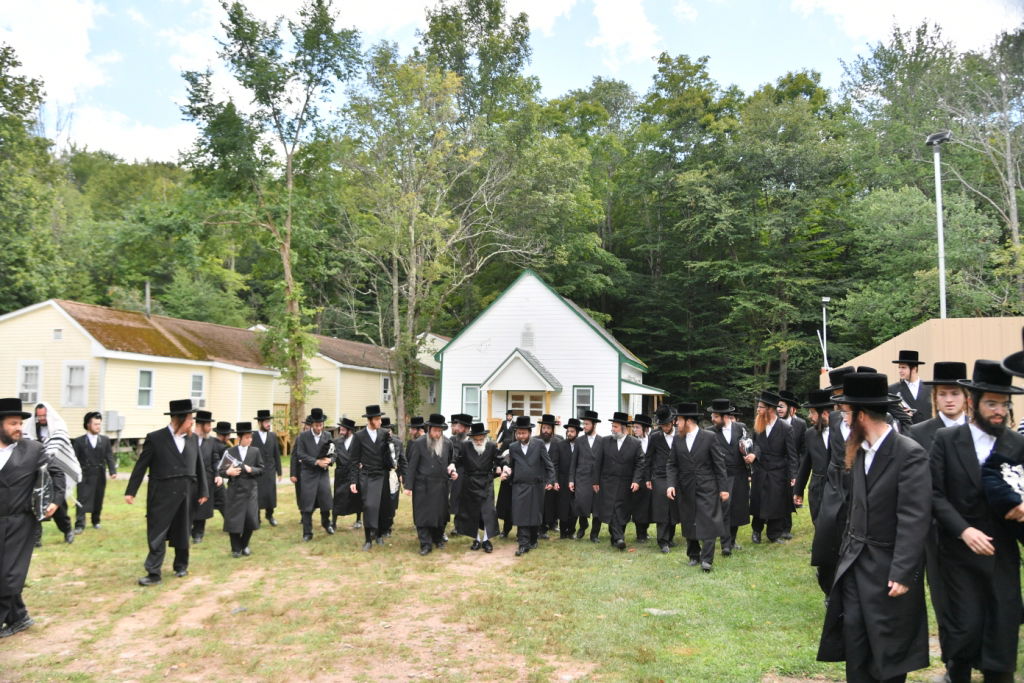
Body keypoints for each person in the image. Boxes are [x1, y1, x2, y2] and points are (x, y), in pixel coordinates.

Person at [817, 372, 932, 683]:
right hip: (855, 564)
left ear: (862, 415)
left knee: (888, 650)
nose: (843, 420)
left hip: (888, 567)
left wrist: (903, 571)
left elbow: (914, 516)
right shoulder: (858, 450)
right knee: (855, 639)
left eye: (846, 413)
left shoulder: (909, 454)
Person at [929, 360, 1024, 683]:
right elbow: (934, 494)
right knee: (964, 630)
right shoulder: (946, 440)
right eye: (991, 403)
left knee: (1003, 630)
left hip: (1003, 555)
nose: (999, 411)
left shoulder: (1016, 444)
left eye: (1004, 404)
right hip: (958, 557)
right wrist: (964, 530)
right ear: (973, 402)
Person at [124, 399, 209, 586]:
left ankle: (181, 566)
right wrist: (131, 491)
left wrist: (203, 489)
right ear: (178, 419)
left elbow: (199, 466)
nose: (192, 424)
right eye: (189, 420)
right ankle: (153, 572)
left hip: (187, 492)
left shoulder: (193, 438)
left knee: (183, 530)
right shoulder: (155, 438)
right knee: (157, 532)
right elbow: (141, 466)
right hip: (161, 494)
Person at [0, 397, 64, 638]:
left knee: (9, 575)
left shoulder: (33, 449)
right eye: (12, 423)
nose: (19, 428)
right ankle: (20, 617)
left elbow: (58, 474)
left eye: (20, 423)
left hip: (21, 522)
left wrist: (55, 501)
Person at [666, 402, 729, 572]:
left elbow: (719, 464)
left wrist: (723, 488)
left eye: (678, 420)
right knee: (689, 521)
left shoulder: (709, 437)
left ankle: (707, 559)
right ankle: (694, 554)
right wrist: (670, 484)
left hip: (707, 487)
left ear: (687, 421)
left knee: (708, 521)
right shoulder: (677, 439)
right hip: (685, 488)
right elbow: (672, 464)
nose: (675, 424)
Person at [501, 416, 556, 556]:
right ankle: (523, 544)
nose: (520, 436)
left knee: (535, 514)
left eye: (523, 433)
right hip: (519, 486)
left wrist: (550, 481)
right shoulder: (513, 447)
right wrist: (506, 471)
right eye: (518, 433)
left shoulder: (539, 444)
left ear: (530, 433)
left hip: (537, 486)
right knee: (521, 515)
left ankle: (533, 538)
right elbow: (511, 465)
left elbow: (549, 465)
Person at [748, 391, 798, 544]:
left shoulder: (786, 428)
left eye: (761, 407)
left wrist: (793, 475)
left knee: (776, 503)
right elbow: (754, 444)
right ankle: (756, 531)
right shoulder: (758, 425)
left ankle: (774, 534)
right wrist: (753, 455)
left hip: (778, 472)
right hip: (761, 470)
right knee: (759, 501)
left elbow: (791, 454)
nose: (758, 409)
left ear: (770, 409)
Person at [24, 403, 77, 546]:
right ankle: (36, 538)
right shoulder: (31, 429)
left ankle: (67, 530)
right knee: (34, 506)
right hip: (36, 473)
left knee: (58, 508)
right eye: (38, 416)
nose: (41, 418)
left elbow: (60, 446)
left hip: (54, 471)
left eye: (43, 415)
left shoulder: (58, 429)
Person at [405, 414, 457, 555]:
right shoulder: (419, 443)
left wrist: (452, 470)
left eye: (440, 431)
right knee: (422, 516)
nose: (437, 434)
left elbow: (452, 461)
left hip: (441, 485)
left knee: (440, 515)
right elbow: (412, 466)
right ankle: (425, 544)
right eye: (435, 430)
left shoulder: (447, 443)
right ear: (429, 429)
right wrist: (408, 486)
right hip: (423, 485)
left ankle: (438, 538)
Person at [595, 412, 644, 551]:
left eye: (615, 427)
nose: (612, 429)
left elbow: (640, 464)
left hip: (625, 483)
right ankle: (619, 538)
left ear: (624, 428)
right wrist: (595, 481)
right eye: (612, 426)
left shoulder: (635, 443)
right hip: (607, 482)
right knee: (612, 509)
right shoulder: (605, 441)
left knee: (622, 511)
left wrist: (636, 481)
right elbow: (598, 462)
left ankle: (615, 537)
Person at [348, 405, 395, 550]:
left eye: (380, 419)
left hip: (382, 475)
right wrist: (353, 480)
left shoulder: (384, 434)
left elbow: (390, 456)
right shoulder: (359, 436)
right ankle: (368, 538)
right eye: (377, 419)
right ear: (370, 420)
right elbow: (354, 460)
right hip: (366, 476)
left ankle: (379, 535)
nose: (380, 422)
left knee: (381, 506)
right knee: (368, 506)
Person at [708, 398, 750, 555]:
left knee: (737, 508)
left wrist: (752, 455)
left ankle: (732, 540)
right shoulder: (710, 432)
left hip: (739, 474)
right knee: (724, 509)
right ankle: (725, 544)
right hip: (721, 475)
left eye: (715, 416)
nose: (712, 419)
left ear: (725, 416)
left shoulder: (741, 427)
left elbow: (751, 444)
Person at [454, 422, 504, 552]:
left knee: (488, 512)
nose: (479, 442)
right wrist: (452, 467)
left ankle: (487, 540)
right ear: (471, 438)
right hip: (470, 483)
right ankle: (476, 539)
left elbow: (500, 459)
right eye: (476, 440)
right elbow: (457, 460)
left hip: (486, 483)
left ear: (485, 437)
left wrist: (500, 466)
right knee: (472, 512)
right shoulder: (465, 446)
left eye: (481, 439)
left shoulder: (492, 445)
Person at [219, 422, 264, 558]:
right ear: (239, 438)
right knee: (234, 521)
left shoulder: (255, 451)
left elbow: (262, 469)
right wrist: (229, 472)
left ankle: (244, 544)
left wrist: (252, 469)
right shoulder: (230, 452)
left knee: (250, 519)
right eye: (247, 437)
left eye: (251, 437)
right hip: (235, 490)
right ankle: (235, 548)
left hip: (251, 490)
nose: (250, 440)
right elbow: (221, 470)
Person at [71, 410, 117, 533]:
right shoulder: (79, 441)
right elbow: (74, 459)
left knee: (98, 497)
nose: (98, 427)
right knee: (82, 499)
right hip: (84, 474)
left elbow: (109, 456)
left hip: (99, 474)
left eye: (99, 424)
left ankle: (96, 521)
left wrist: (112, 471)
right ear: (88, 425)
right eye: (95, 424)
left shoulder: (105, 440)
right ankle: (80, 524)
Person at [293, 408, 334, 541]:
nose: (319, 428)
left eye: (321, 425)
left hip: (322, 474)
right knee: (307, 504)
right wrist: (316, 462)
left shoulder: (327, 435)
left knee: (326, 501)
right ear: (311, 425)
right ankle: (307, 532)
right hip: (308, 474)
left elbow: (334, 452)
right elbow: (300, 454)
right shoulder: (303, 437)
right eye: (316, 425)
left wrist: (330, 460)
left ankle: (326, 523)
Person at [908, 362, 969, 450]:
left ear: (965, 397)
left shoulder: (977, 429)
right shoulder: (918, 432)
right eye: (942, 394)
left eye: (955, 394)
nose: (949, 400)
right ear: (935, 397)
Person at [793, 391, 833, 524]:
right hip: (817, 489)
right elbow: (806, 463)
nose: (810, 416)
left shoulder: (841, 432)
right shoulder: (809, 434)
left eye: (812, 412)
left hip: (836, 488)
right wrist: (798, 490)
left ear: (825, 414)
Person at [647, 406, 679, 553]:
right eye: (662, 425)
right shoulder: (654, 437)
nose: (664, 428)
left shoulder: (681, 435)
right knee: (662, 508)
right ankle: (662, 541)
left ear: (672, 422)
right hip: (659, 476)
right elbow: (648, 458)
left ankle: (670, 537)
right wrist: (648, 478)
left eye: (667, 425)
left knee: (673, 508)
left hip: (676, 476)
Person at [569, 410, 603, 542]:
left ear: (594, 425)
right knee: (581, 505)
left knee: (597, 509)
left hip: (596, 480)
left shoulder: (602, 441)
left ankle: (594, 535)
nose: (584, 426)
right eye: (584, 424)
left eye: (587, 424)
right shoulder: (579, 441)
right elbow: (573, 462)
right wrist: (571, 480)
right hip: (581, 478)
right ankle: (583, 525)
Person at [777, 390, 806, 540]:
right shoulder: (773, 423)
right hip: (776, 466)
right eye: (777, 406)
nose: (778, 409)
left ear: (790, 408)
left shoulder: (800, 424)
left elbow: (803, 449)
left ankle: (786, 528)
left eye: (781, 406)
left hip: (793, 467)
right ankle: (774, 526)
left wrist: (798, 469)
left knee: (788, 496)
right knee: (776, 496)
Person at [190, 410, 217, 544]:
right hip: (191, 479)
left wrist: (217, 475)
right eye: (208, 425)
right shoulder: (188, 438)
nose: (210, 428)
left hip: (206, 478)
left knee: (203, 507)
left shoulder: (212, 441)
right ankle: (187, 529)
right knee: (189, 505)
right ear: (200, 424)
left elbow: (215, 460)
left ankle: (198, 533)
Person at [330, 417, 362, 531]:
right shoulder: (336, 441)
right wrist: (330, 461)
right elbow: (332, 455)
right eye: (341, 428)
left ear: (349, 430)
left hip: (354, 473)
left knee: (356, 497)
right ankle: (333, 522)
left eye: (343, 429)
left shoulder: (358, 441)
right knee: (338, 497)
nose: (341, 431)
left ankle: (358, 519)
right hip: (341, 473)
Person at [253, 409, 282, 527]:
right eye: (266, 422)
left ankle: (269, 515)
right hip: (257, 471)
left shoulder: (272, 435)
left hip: (270, 470)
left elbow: (276, 454)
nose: (268, 424)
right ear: (259, 423)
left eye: (269, 422)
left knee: (270, 494)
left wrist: (279, 471)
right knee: (257, 495)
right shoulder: (253, 436)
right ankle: (257, 518)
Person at [889, 350, 932, 425]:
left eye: (903, 367)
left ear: (914, 369)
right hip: (905, 433)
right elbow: (889, 416)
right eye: (899, 367)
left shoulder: (930, 388)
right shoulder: (892, 390)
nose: (900, 371)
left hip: (928, 433)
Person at [537, 414, 563, 539]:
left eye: (548, 428)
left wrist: (555, 480)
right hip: (539, 477)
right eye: (544, 428)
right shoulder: (535, 441)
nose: (545, 431)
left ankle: (553, 523)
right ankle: (541, 527)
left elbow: (560, 463)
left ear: (552, 429)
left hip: (554, 477)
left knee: (553, 502)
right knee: (541, 504)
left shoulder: (559, 441)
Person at [629, 414, 653, 543]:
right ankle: (640, 533)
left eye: (637, 427)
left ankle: (645, 529)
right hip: (636, 478)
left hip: (650, 478)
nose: (635, 430)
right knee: (638, 506)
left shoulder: (652, 440)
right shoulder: (632, 442)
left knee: (648, 506)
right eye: (634, 427)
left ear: (646, 429)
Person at [554, 418, 579, 538]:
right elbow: (555, 464)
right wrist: (555, 481)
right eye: (568, 431)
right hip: (563, 480)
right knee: (563, 507)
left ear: (577, 432)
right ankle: (563, 532)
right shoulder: (560, 445)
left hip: (577, 481)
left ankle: (572, 531)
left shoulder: (581, 445)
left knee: (574, 508)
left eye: (572, 431)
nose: (569, 433)